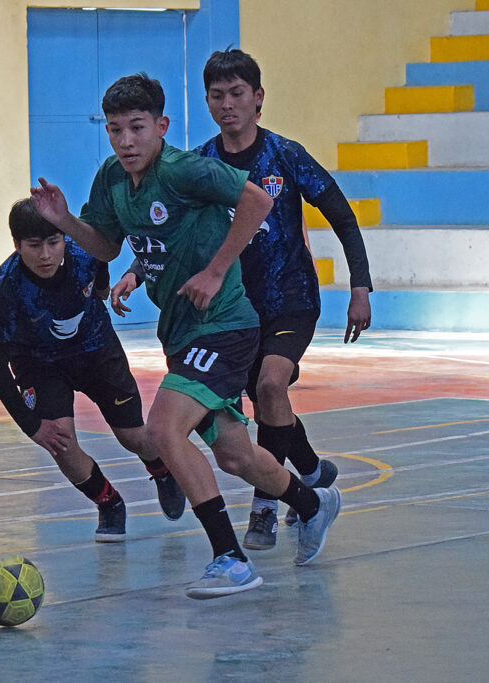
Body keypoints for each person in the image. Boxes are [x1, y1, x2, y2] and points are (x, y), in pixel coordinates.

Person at [30, 73, 341, 599]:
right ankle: (314, 505)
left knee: (164, 430)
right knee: (236, 456)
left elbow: (257, 202)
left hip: (225, 324)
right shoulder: (111, 177)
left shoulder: (185, 169)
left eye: (136, 128)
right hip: (180, 333)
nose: (125, 141)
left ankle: (230, 560)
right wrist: (65, 223)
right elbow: (105, 247)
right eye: (114, 130)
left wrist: (218, 269)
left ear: (161, 126)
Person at [112, 49, 372, 550]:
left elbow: (342, 214)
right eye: (216, 95)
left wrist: (360, 285)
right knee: (260, 397)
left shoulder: (286, 155)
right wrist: (134, 269)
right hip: (231, 311)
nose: (227, 104)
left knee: (271, 385)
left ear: (258, 99)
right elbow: (176, 237)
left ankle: (265, 506)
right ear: (207, 102)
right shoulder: (201, 164)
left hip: (289, 298)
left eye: (237, 94)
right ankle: (311, 470)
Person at [0, 198, 187, 543]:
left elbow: (103, 263)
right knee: (59, 443)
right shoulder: (3, 290)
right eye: (33, 246)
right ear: (16, 245)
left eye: (53, 242)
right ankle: (108, 502)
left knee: (134, 436)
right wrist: (32, 426)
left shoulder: (85, 254)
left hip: (96, 351)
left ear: (65, 238)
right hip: (39, 365)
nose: (45, 255)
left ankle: (162, 470)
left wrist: (106, 289)